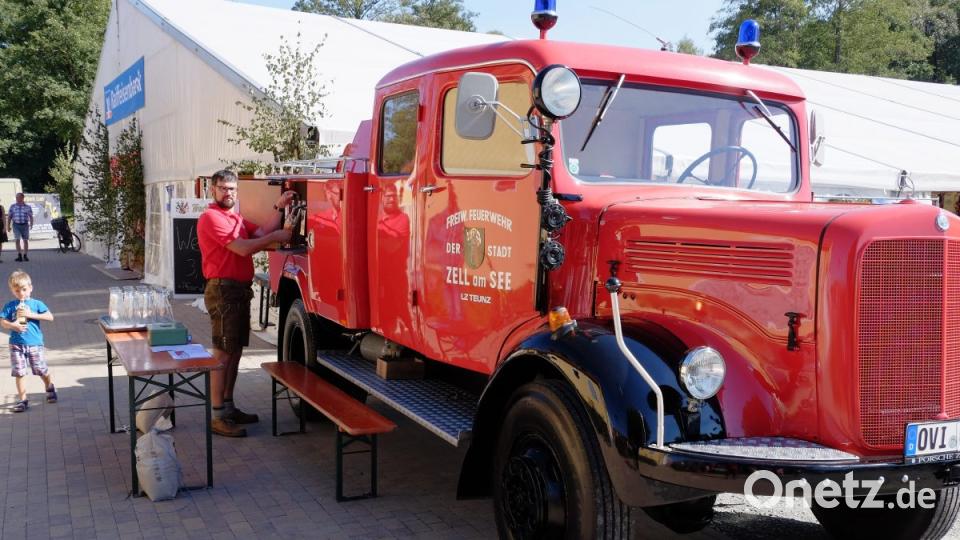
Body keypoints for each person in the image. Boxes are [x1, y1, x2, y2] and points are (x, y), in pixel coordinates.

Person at [197, 170, 293, 437]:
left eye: (232, 189)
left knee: (235, 352)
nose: (228, 193)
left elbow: (261, 230)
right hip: (223, 291)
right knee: (223, 354)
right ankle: (217, 415)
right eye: (223, 188)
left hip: (237, 290)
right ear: (213, 189)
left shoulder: (234, 217)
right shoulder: (210, 217)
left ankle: (228, 406)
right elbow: (242, 247)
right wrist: (277, 239)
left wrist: (278, 207)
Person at [0, 271, 56, 412]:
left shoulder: (36, 303)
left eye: (24, 290)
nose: (21, 294)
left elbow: (50, 317)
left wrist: (31, 314)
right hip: (16, 344)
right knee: (19, 372)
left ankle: (49, 386)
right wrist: (13, 325)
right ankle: (22, 400)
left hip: (34, 343)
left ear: (30, 288)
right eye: (17, 290)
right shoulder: (10, 306)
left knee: (40, 369)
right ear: (12, 290)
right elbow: (3, 322)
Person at [6, 193, 33, 262]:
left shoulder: (28, 207)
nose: (17, 199)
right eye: (16, 198)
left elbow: (31, 216)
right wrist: (8, 226)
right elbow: (9, 217)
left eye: (18, 197)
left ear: (22, 198)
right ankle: (19, 255)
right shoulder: (13, 206)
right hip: (16, 225)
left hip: (25, 225)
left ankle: (25, 255)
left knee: (25, 240)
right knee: (17, 240)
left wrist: (31, 224)